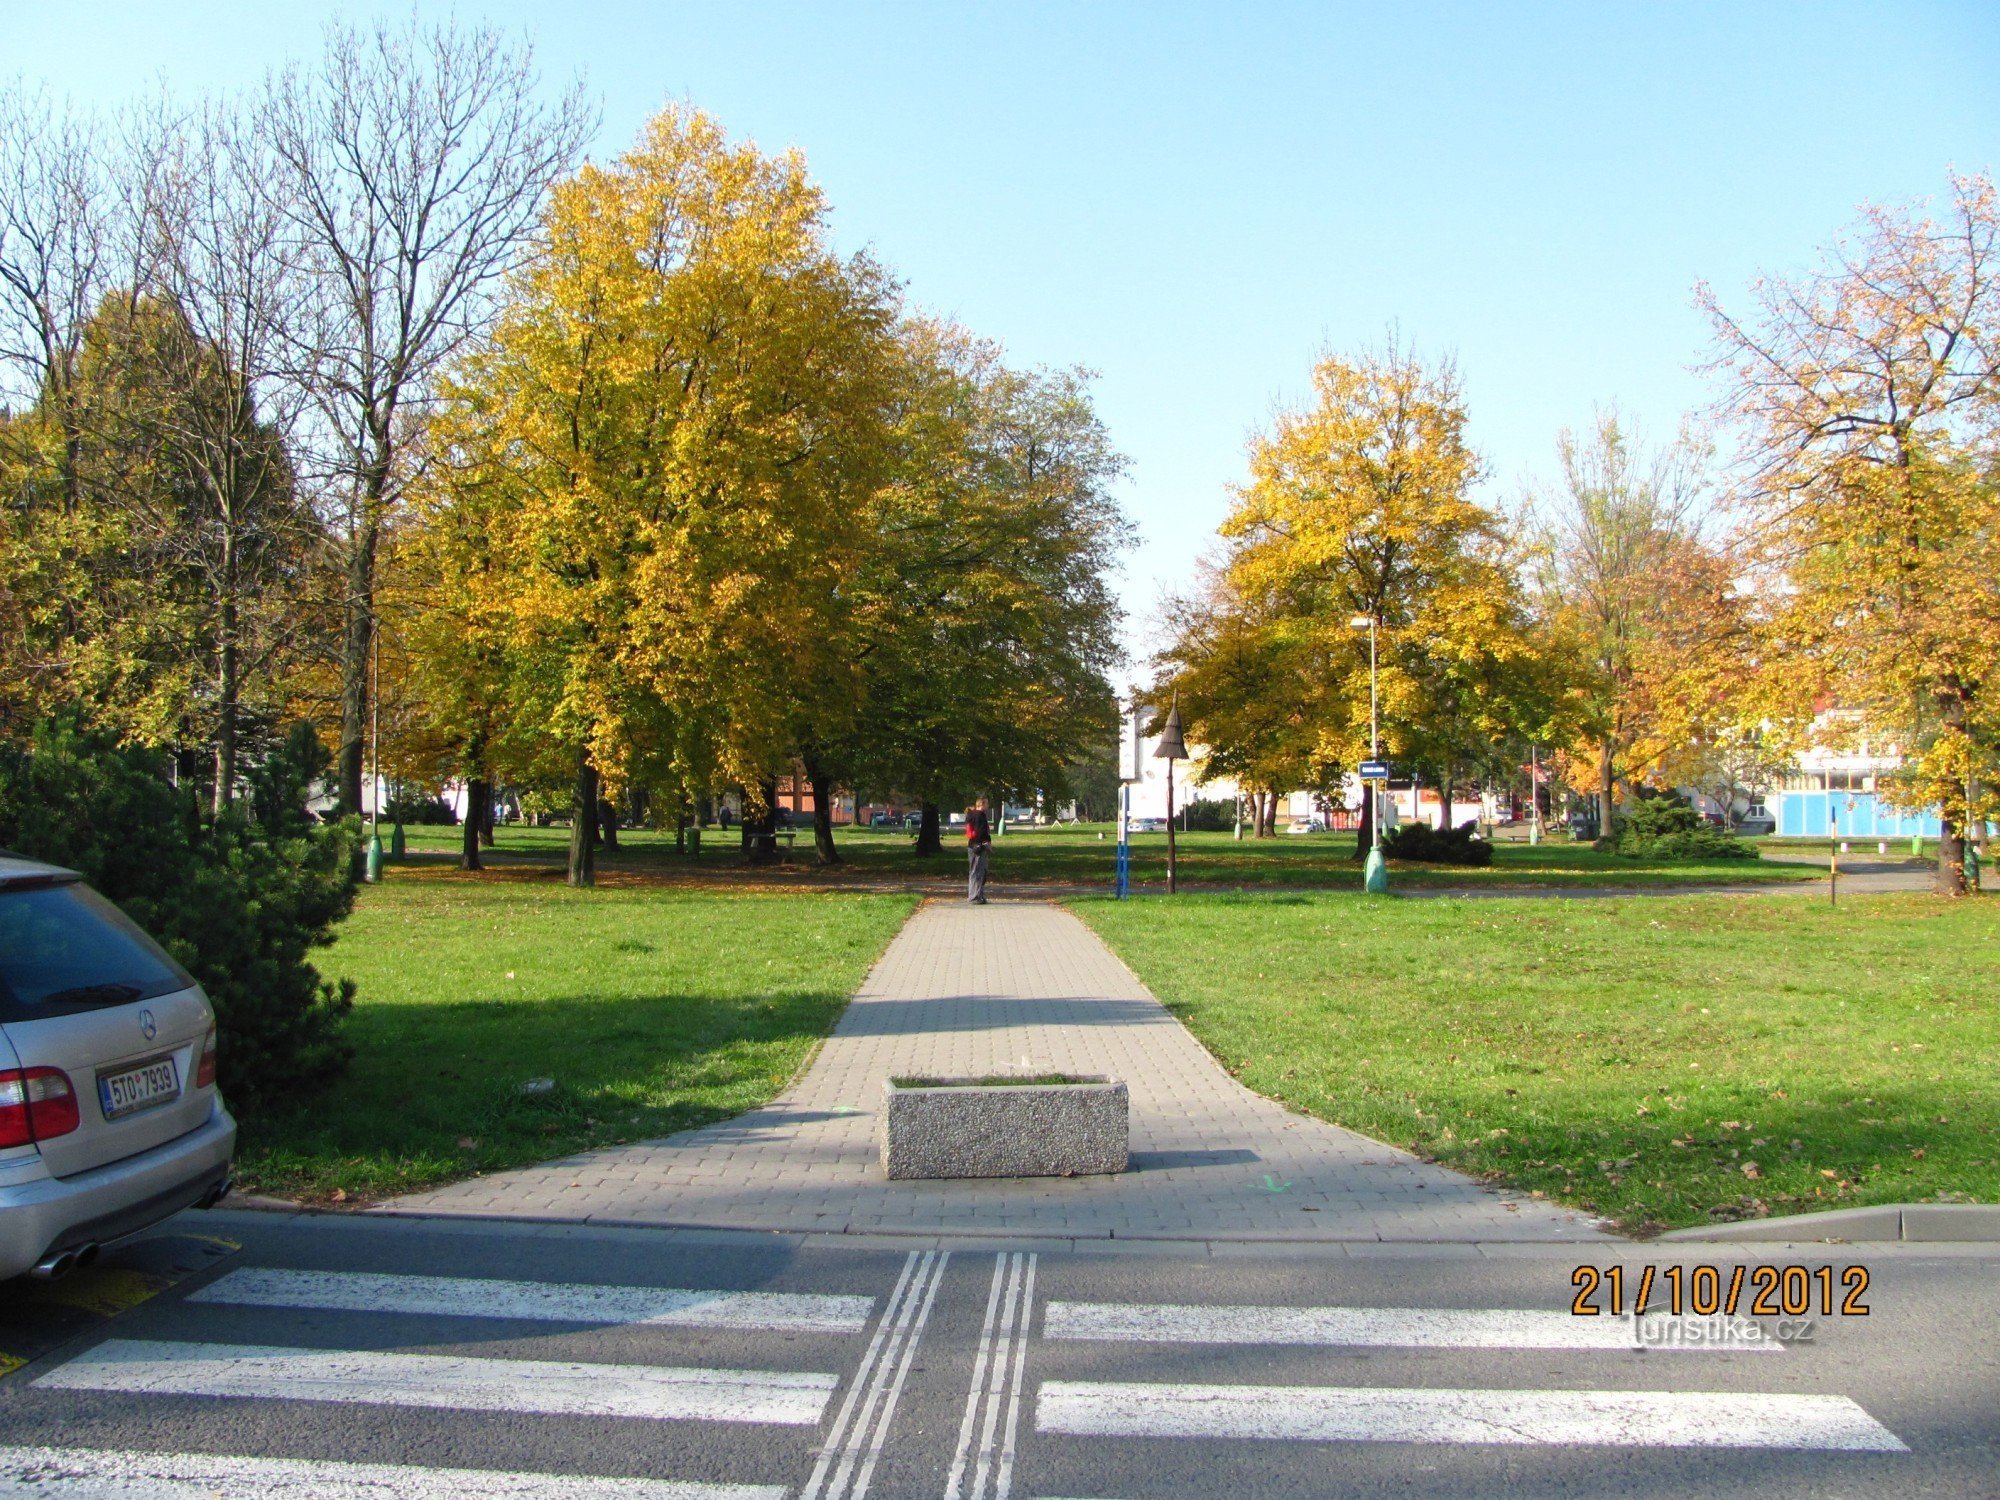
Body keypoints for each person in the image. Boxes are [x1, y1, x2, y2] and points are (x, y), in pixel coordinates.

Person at [966, 797, 992, 904]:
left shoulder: (971, 814)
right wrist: (985, 843)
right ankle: (974, 897)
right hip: (978, 847)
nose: (988, 806)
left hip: (972, 846)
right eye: (987, 804)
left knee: (978, 871)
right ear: (981, 804)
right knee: (978, 872)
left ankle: (978, 895)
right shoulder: (979, 815)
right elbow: (981, 832)